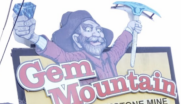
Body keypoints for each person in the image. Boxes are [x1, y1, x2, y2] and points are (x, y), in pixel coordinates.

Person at [13, 10, 142, 85]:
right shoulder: (76, 59)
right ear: (76, 39)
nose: (96, 34)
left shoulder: (109, 57)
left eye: (98, 29)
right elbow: (57, 54)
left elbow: (120, 45)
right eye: (88, 29)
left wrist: (130, 28)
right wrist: (33, 37)